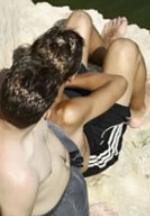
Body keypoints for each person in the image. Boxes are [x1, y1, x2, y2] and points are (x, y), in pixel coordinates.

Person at [28, 12, 150, 177]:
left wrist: (60, 79)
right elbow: (118, 84)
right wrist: (67, 80)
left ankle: (106, 51)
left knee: (80, 18)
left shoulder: (27, 84)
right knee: (125, 49)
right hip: (95, 140)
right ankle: (138, 111)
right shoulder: (67, 113)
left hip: (62, 90)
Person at [0, 54, 114, 216]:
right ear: (46, 111)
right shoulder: (18, 177)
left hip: (67, 168)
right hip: (58, 207)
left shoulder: (16, 97)